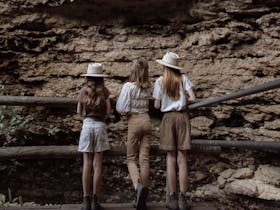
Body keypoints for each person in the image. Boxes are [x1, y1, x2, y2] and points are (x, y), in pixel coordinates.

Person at [153, 52, 196, 210]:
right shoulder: (183, 78)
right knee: (182, 158)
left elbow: (157, 105)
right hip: (182, 118)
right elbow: (193, 98)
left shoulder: (159, 81)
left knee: (170, 158)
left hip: (168, 119)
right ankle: (183, 199)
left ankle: (172, 198)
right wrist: (182, 100)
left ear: (164, 66)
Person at [116, 57, 152, 210]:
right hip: (147, 120)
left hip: (134, 121)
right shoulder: (149, 86)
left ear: (133, 70)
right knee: (144, 159)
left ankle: (138, 187)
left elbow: (121, 108)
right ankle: (143, 197)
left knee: (131, 158)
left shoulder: (129, 87)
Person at [77, 63, 111, 210]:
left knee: (87, 164)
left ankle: (86, 200)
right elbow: (109, 111)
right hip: (100, 127)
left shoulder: (83, 91)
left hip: (87, 126)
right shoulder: (105, 91)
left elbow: (79, 111)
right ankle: (95, 201)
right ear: (101, 78)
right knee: (98, 165)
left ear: (88, 77)